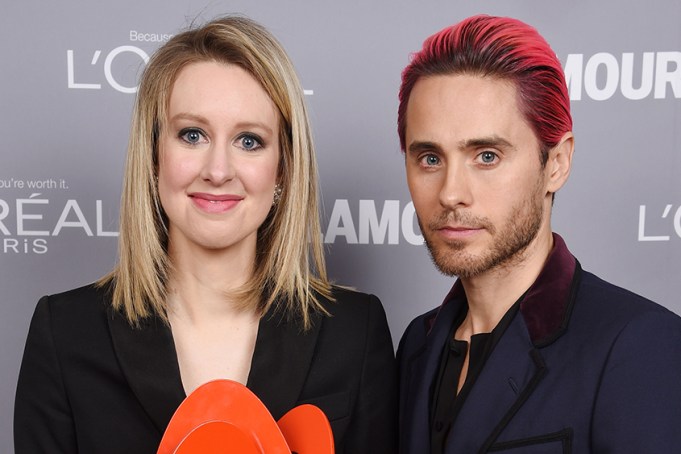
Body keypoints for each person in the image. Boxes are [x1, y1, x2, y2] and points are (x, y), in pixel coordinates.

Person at [14, 16, 397, 454]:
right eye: (192, 135)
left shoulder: (353, 330)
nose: (218, 170)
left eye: (249, 141)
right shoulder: (65, 332)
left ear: (283, 170)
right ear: (154, 156)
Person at [396, 14, 681, 453]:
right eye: (430, 159)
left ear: (557, 163)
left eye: (486, 156)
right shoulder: (417, 344)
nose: (452, 193)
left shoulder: (640, 346)